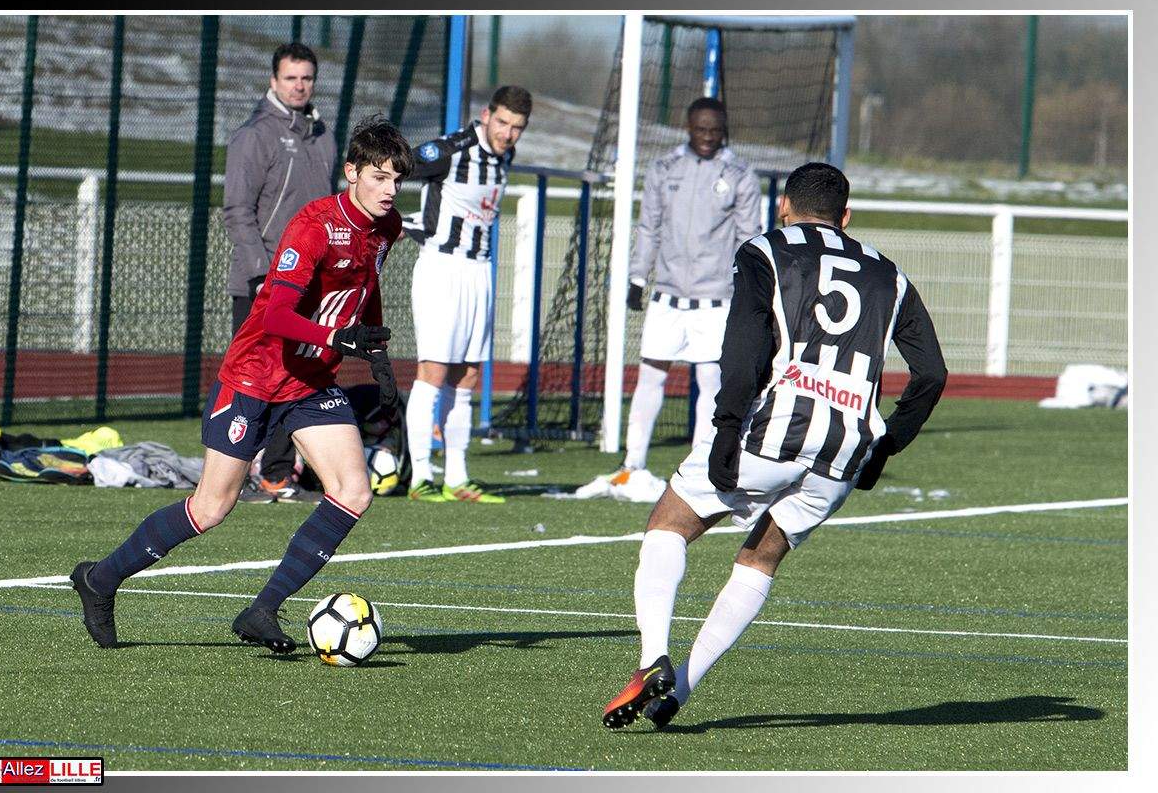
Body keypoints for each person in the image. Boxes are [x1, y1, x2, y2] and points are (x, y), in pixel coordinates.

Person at [601, 162, 948, 729]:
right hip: (843, 448)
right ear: (847, 215)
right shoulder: (892, 276)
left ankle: (652, 660)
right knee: (761, 558)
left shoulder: (765, 250)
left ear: (784, 207)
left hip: (772, 429)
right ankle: (679, 693)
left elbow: (742, 349)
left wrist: (727, 426)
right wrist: (884, 447)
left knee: (670, 524)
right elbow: (932, 374)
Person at [70, 116, 411, 654]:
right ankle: (100, 579)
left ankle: (262, 610)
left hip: (310, 383)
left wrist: (378, 357)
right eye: (380, 176)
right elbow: (275, 315)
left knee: (353, 491)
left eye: (398, 179)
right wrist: (335, 334)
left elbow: (364, 288)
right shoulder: (313, 225)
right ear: (351, 172)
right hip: (254, 376)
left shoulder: (386, 228)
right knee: (210, 508)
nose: (390, 190)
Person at [603, 97, 763, 495]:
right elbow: (649, 227)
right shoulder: (663, 169)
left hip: (715, 299)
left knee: (710, 381)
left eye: (715, 130)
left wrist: (748, 287)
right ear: (688, 128)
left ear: (723, 131)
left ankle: (697, 466)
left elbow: (748, 236)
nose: (708, 137)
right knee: (650, 376)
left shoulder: (741, 174)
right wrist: (638, 277)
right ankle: (632, 463)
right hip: (668, 296)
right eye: (701, 129)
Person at [400, 85, 532, 504]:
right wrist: (404, 223)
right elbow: (395, 170)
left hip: (480, 272)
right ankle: (421, 475)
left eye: (517, 128)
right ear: (486, 114)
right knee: (434, 371)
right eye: (502, 122)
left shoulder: (503, 155)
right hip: (442, 268)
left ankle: (457, 476)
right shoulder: (453, 148)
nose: (508, 133)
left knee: (468, 375)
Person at [223, 42, 336, 504]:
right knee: (250, 384)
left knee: (296, 380)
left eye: (306, 78)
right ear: (273, 81)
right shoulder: (254, 135)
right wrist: (262, 272)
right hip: (262, 286)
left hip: (308, 287)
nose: (299, 86)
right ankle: (231, 477)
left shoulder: (323, 134)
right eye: (290, 78)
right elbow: (236, 211)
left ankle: (275, 475)